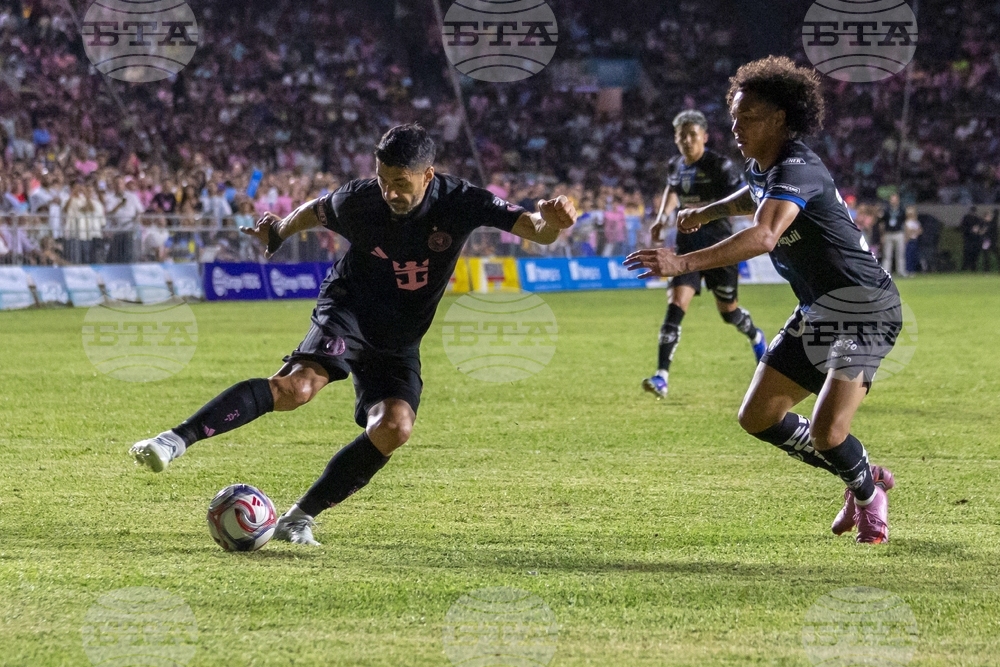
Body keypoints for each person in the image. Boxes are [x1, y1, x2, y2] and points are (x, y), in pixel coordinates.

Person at [129, 124, 576, 546]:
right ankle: (172, 441)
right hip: (349, 309)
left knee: (394, 428)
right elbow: (314, 211)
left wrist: (554, 221)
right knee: (296, 389)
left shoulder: (461, 200)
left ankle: (298, 518)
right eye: (383, 180)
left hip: (399, 338)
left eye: (400, 182)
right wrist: (279, 231)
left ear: (428, 175)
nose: (390, 192)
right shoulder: (359, 200)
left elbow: (537, 231)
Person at [626, 57, 898, 543]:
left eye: (747, 117)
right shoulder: (763, 167)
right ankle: (863, 477)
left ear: (779, 118)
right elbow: (749, 195)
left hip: (862, 308)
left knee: (828, 433)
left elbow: (765, 234)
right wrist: (705, 211)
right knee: (757, 416)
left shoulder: (797, 167)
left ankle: (867, 493)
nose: (735, 127)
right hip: (817, 311)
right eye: (734, 116)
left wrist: (682, 263)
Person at [642, 109, 766, 399]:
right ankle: (661, 377)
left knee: (729, 312)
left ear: (704, 137)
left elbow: (743, 197)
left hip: (719, 248)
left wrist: (708, 214)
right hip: (686, 247)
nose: (687, 140)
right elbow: (672, 189)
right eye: (681, 135)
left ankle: (756, 335)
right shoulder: (675, 165)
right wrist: (661, 218)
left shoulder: (720, 166)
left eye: (692, 135)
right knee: (676, 304)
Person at [877, 192, 907, 277]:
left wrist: (905, 234)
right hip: (888, 233)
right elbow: (882, 223)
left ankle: (901, 271)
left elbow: (904, 222)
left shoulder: (902, 209)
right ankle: (886, 272)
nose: (893, 201)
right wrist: (882, 235)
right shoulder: (886, 210)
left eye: (895, 199)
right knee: (887, 254)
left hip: (899, 233)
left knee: (900, 254)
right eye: (892, 199)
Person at [960, 206, 985, 271]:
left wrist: (978, 230)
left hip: (975, 239)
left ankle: (972, 266)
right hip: (968, 238)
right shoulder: (966, 218)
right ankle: (966, 266)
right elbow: (963, 228)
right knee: (967, 253)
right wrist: (971, 229)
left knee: (974, 254)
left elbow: (982, 228)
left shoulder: (978, 219)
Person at [903, 206, 922, 275]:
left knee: (914, 256)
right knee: (908, 256)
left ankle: (913, 270)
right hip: (909, 240)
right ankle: (908, 270)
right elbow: (907, 232)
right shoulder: (907, 222)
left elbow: (920, 231)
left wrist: (914, 231)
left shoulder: (916, 222)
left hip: (915, 240)